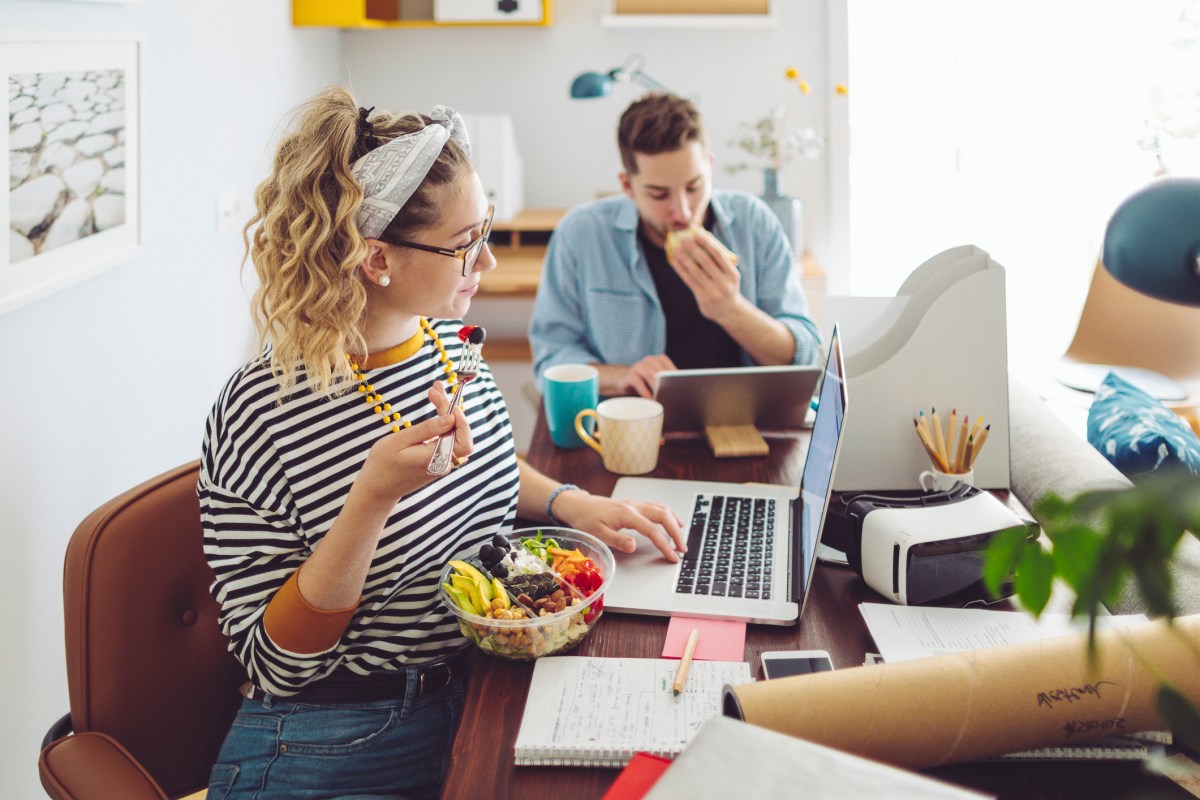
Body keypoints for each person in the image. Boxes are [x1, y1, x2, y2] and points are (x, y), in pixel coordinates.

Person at [197, 86, 686, 800]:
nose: (486, 264)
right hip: (338, 736)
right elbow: (279, 665)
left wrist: (570, 503)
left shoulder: (443, 342)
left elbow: (480, 465)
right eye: (466, 245)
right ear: (376, 260)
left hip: (475, 687)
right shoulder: (260, 411)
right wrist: (371, 500)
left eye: (485, 231)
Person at [529, 92, 822, 398]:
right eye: (659, 195)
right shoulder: (581, 234)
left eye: (694, 187)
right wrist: (623, 376)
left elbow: (804, 358)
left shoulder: (755, 223)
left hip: (744, 424)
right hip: (629, 425)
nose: (682, 211)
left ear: (709, 166)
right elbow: (551, 359)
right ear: (627, 185)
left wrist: (732, 310)